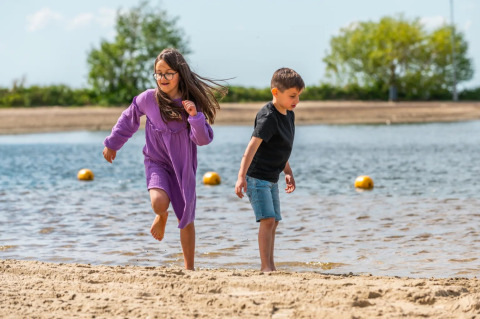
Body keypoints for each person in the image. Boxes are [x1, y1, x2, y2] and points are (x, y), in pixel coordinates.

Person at [103, 48, 227, 270]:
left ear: (180, 73)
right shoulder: (148, 99)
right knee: (159, 203)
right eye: (158, 74)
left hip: (183, 169)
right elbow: (128, 119)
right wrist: (112, 143)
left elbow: (203, 140)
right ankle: (161, 215)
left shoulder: (190, 104)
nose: (162, 78)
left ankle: (189, 267)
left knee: (186, 218)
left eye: (168, 73)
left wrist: (194, 117)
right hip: (156, 162)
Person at [235, 68, 304, 272]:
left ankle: (271, 265)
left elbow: (280, 148)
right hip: (256, 177)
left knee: (274, 222)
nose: (296, 100)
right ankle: (266, 267)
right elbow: (251, 148)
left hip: (272, 177)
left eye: (299, 95)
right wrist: (241, 178)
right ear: (276, 92)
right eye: (292, 96)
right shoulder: (268, 117)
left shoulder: (288, 115)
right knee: (267, 220)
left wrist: (288, 171)